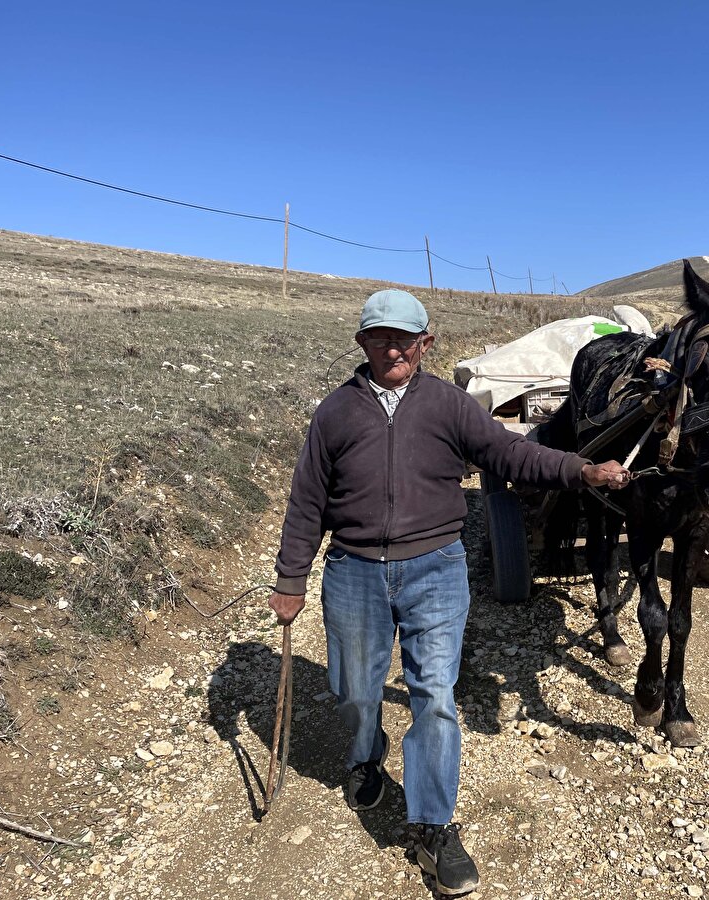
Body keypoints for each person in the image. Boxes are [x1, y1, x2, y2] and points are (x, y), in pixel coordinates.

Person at [268, 288, 629, 896]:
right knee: (354, 690)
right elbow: (307, 499)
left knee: (434, 695)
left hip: (435, 568)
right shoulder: (335, 412)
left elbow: (510, 453)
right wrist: (290, 579)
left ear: (425, 343)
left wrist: (580, 470)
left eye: (405, 340)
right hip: (354, 570)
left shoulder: (449, 405)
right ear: (362, 343)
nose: (393, 350)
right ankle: (365, 753)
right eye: (381, 339)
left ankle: (433, 826)